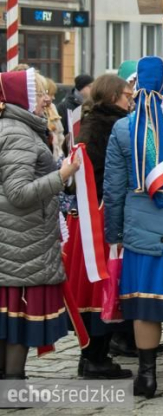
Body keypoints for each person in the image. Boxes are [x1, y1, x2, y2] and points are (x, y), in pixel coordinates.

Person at [103, 57, 163, 398]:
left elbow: (113, 189)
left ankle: (146, 376)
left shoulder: (124, 128)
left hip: (140, 229)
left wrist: (112, 234)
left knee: (144, 305)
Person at [0, 69, 81, 379]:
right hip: (19, 238)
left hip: (20, 237)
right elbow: (19, 193)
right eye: (38, 92)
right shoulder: (18, 133)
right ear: (24, 97)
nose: (46, 98)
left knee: (9, 319)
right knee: (16, 320)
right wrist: (61, 175)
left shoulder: (21, 128)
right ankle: (12, 385)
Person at [62, 74, 134, 380]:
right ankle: (94, 357)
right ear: (113, 95)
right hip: (99, 217)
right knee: (100, 284)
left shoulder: (92, 122)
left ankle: (93, 353)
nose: (131, 99)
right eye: (127, 94)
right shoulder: (110, 125)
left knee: (96, 283)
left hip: (92, 214)